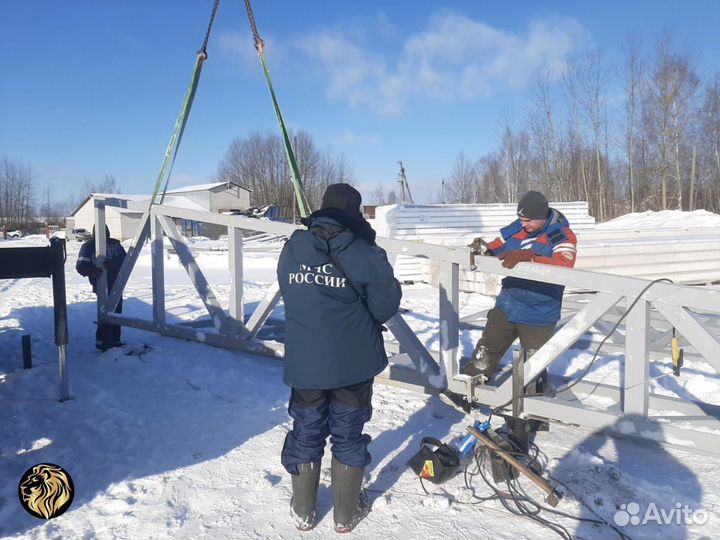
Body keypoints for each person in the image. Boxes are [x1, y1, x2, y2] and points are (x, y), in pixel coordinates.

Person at [277, 183, 402, 533]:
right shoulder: (364, 251)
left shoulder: (291, 249)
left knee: (306, 429)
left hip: (306, 361)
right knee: (347, 432)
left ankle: (304, 510)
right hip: (352, 362)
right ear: (354, 212)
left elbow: (290, 292)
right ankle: (345, 514)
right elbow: (385, 305)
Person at [463, 190, 577, 391]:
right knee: (486, 350)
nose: (524, 224)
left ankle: (530, 413)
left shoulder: (562, 235)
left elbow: (564, 265)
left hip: (539, 310)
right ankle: (468, 391)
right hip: (508, 303)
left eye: (528, 221)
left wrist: (530, 257)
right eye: (521, 219)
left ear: (541, 216)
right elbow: (496, 247)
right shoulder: (516, 228)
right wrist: (485, 251)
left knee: (534, 364)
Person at [76, 225, 127, 351]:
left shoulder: (115, 245)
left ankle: (116, 339)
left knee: (116, 311)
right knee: (104, 310)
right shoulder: (88, 247)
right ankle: (102, 340)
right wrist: (91, 271)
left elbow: (126, 262)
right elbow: (80, 265)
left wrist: (113, 265)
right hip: (99, 284)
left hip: (116, 283)